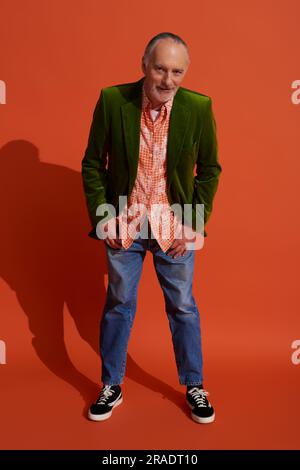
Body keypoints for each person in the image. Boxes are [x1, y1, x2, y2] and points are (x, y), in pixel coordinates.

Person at [81, 32, 222, 424]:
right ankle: (111, 384)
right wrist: (103, 217)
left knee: (182, 307)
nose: (168, 79)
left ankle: (195, 385)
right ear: (144, 64)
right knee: (118, 306)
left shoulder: (198, 106)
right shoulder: (113, 100)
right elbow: (93, 163)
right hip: (123, 223)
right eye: (160, 68)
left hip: (173, 227)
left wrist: (192, 224)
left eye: (177, 71)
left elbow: (209, 171)